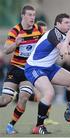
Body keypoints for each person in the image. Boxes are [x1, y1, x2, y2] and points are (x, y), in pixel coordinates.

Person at [25, 13, 70, 134]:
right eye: (66, 23)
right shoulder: (53, 33)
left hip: (49, 67)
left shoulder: (64, 35)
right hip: (34, 67)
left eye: (69, 23)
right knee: (50, 93)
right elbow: (66, 50)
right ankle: (38, 126)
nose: (69, 25)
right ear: (57, 24)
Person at [0, 5, 45, 134]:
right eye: (29, 15)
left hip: (29, 70)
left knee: (24, 96)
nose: (32, 17)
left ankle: (10, 125)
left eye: (33, 15)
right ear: (23, 16)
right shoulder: (15, 31)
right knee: (5, 101)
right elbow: (6, 50)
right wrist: (16, 44)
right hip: (15, 69)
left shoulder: (39, 30)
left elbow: (48, 43)